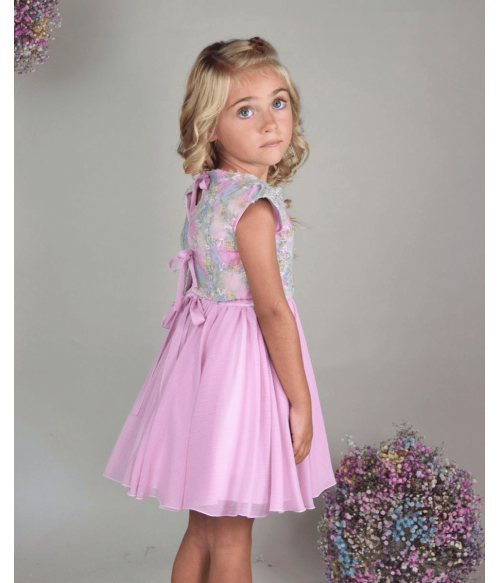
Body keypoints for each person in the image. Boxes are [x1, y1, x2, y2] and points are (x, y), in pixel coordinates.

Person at [103, 36, 337, 583]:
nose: (271, 122)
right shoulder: (254, 208)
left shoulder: (209, 192)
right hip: (243, 377)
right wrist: (300, 401)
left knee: (204, 529)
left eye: (279, 102)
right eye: (245, 111)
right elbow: (271, 311)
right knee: (231, 536)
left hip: (202, 370)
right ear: (210, 126)